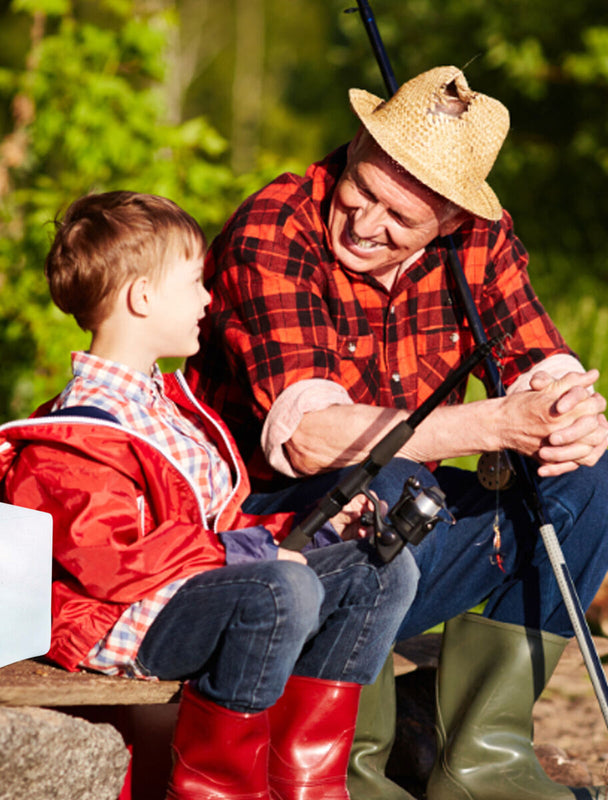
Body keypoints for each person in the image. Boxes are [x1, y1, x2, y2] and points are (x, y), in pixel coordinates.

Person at [185, 66, 608, 800]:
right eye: (361, 190)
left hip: (400, 531)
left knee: (593, 479)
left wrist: (567, 417)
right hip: (266, 543)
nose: (364, 223)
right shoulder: (275, 225)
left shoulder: (479, 238)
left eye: (399, 218)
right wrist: (495, 422)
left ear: (450, 219)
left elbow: (540, 363)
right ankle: (351, 761)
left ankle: (482, 765)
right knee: (383, 483)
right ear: (355, 145)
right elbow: (311, 439)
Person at [0, 191, 419, 800]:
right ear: (141, 297)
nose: (209, 298)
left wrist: (308, 530)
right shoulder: (77, 433)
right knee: (283, 588)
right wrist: (252, 553)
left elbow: (216, 524)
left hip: (192, 592)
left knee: (381, 569)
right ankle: (217, 790)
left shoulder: (168, 407)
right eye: (196, 282)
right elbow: (108, 559)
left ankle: (307, 785)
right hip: (121, 619)